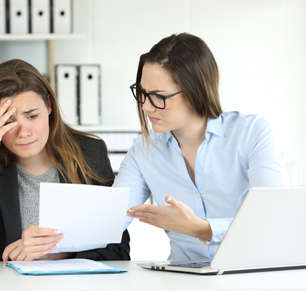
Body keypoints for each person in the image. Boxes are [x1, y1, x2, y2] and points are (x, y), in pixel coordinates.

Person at [114, 33, 282, 263]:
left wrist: (202, 229)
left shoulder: (251, 133)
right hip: (185, 280)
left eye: (158, 97)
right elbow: (111, 218)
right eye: (142, 94)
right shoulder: (143, 151)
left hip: (251, 275)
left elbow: (273, 219)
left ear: (195, 91)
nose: (146, 107)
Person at [0, 59, 130, 263]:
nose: (23, 132)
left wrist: (54, 251)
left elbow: (118, 250)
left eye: (32, 116)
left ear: (49, 106)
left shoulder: (89, 153)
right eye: (7, 122)